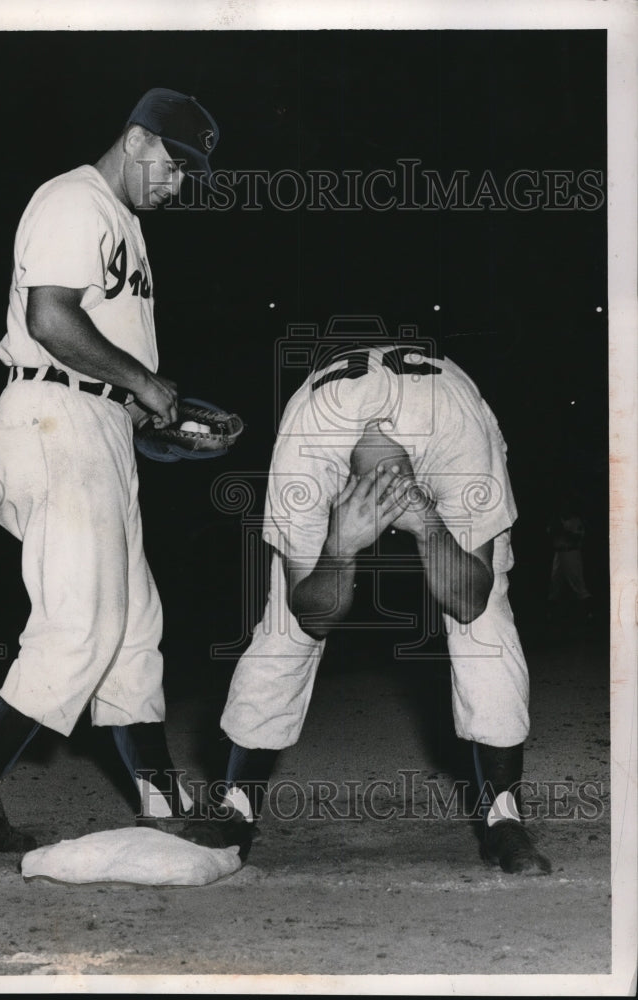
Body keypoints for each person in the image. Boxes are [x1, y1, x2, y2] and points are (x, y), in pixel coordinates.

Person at [0, 88, 220, 852]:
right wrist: (144, 384)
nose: (179, 182)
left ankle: (159, 799)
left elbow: (103, 349)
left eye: (190, 171)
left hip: (95, 427)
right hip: (51, 418)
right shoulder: (72, 200)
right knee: (78, 624)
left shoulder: (121, 222)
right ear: (135, 139)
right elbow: (50, 319)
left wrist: (153, 414)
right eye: (175, 164)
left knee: (132, 628)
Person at [182, 332, 551, 876]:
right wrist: (339, 549)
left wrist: (428, 527)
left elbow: (469, 601)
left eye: (397, 487)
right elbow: (312, 614)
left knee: (487, 611)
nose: (387, 500)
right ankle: (235, 808)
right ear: (344, 478)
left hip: (448, 404)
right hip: (328, 422)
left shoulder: (458, 439)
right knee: (284, 620)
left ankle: (505, 819)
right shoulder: (307, 452)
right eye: (373, 489)